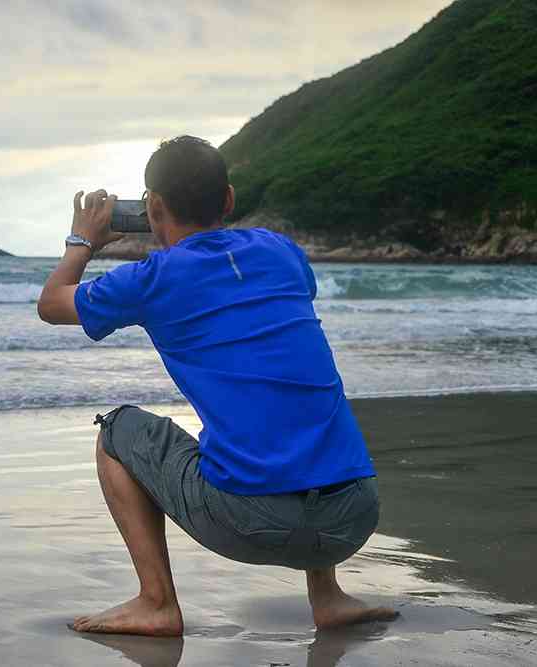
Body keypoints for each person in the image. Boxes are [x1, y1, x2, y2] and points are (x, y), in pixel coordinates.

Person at [37, 136, 397, 636]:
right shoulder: (280, 252)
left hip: (249, 521)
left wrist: (83, 242)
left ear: (153, 207)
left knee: (117, 430)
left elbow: (52, 304)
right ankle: (328, 596)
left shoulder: (152, 279)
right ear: (227, 200)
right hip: (354, 516)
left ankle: (157, 602)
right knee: (290, 398)